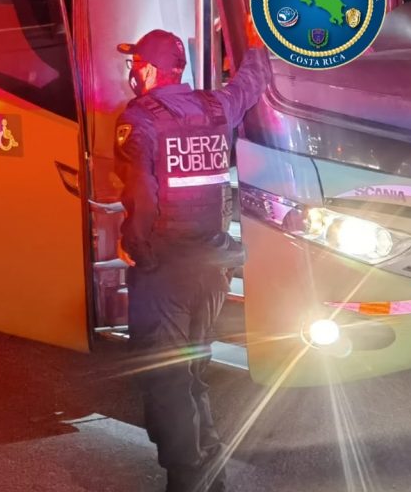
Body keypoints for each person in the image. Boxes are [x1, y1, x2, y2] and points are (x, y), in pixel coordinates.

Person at [113, 27, 269, 492]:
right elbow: (251, 83)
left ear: (149, 70)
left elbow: (141, 194)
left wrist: (134, 248)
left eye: (136, 63)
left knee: (166, 378)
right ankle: (210, 474)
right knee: (194, 372)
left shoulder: (139, 118)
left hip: (167, 270)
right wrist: (255, 41)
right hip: (213, 267)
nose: (132, 71)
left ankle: (187, 480)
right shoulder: (216, 106)